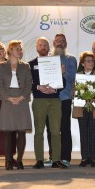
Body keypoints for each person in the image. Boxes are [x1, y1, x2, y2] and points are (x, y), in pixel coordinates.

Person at [29, 37, 67, 169]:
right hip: (39, 100)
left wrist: (57, 84)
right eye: (40, 45)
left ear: (49, 46)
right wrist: (39, 87)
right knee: (39, 131)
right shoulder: (30, 64)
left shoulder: (56, 62)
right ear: (37, 47)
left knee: (56, 131)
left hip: (55, 99)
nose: (43, 47)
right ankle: (39, 160)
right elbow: (28, 84)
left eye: (45, 44)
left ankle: (56, 160)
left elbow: (64, 83)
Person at [0, 40, 32, 170]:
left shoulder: (26, 66)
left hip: (22, 100)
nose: (20, 51)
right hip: (7, 100)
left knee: (21, 131)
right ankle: (8, 161)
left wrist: (21, 97)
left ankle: (20, 160)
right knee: (7, 132)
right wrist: (8, 98)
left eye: (21, 49)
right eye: (17, 49)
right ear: (10, 50)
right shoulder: (1, 66)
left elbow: (29, 84)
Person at [46, 33, 77, 167]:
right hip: (49, 99)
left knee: (64, 128)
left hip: (64, 97)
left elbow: (73, 78)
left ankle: (65, 158)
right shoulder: (47, 59)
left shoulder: (71, 59)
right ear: (53, 43)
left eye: (62, 41)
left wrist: (64, 73)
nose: (60, 43)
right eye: (57, 41)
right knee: (51, 130)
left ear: (66, 43)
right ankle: (53, 157)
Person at [73, 51, 95, 167]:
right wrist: (80, 93)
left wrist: (92, 95)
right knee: (83, 133)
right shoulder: (78, 75)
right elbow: (73, 91)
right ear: (82, 63)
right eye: (87, 61)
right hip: (81, 108)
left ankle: (93, 158)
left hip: (94, 108)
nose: (90, 63)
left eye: (92, 61)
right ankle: (84, 158)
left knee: (93, 133)